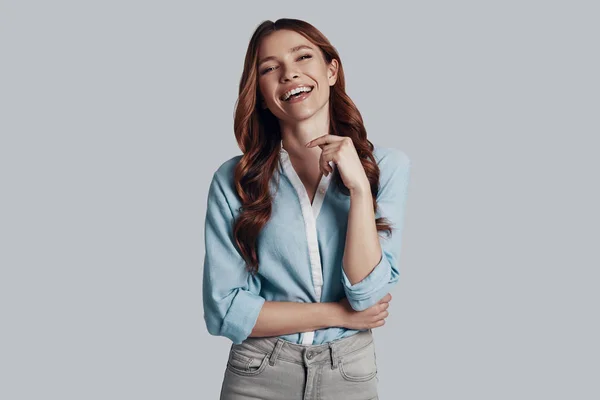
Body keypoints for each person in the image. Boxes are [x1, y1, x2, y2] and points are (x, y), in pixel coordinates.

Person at [202, 18, 412, 400]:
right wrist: (338, 315)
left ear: (331, 70)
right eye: (270, 68)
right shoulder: (234, 179)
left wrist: (360, 191)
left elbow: (367, 296)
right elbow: (225, 311)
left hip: (348, 372)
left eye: (303, 57)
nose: (289, 74)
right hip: (257, 374)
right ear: (261, 91)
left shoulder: (387, 167)